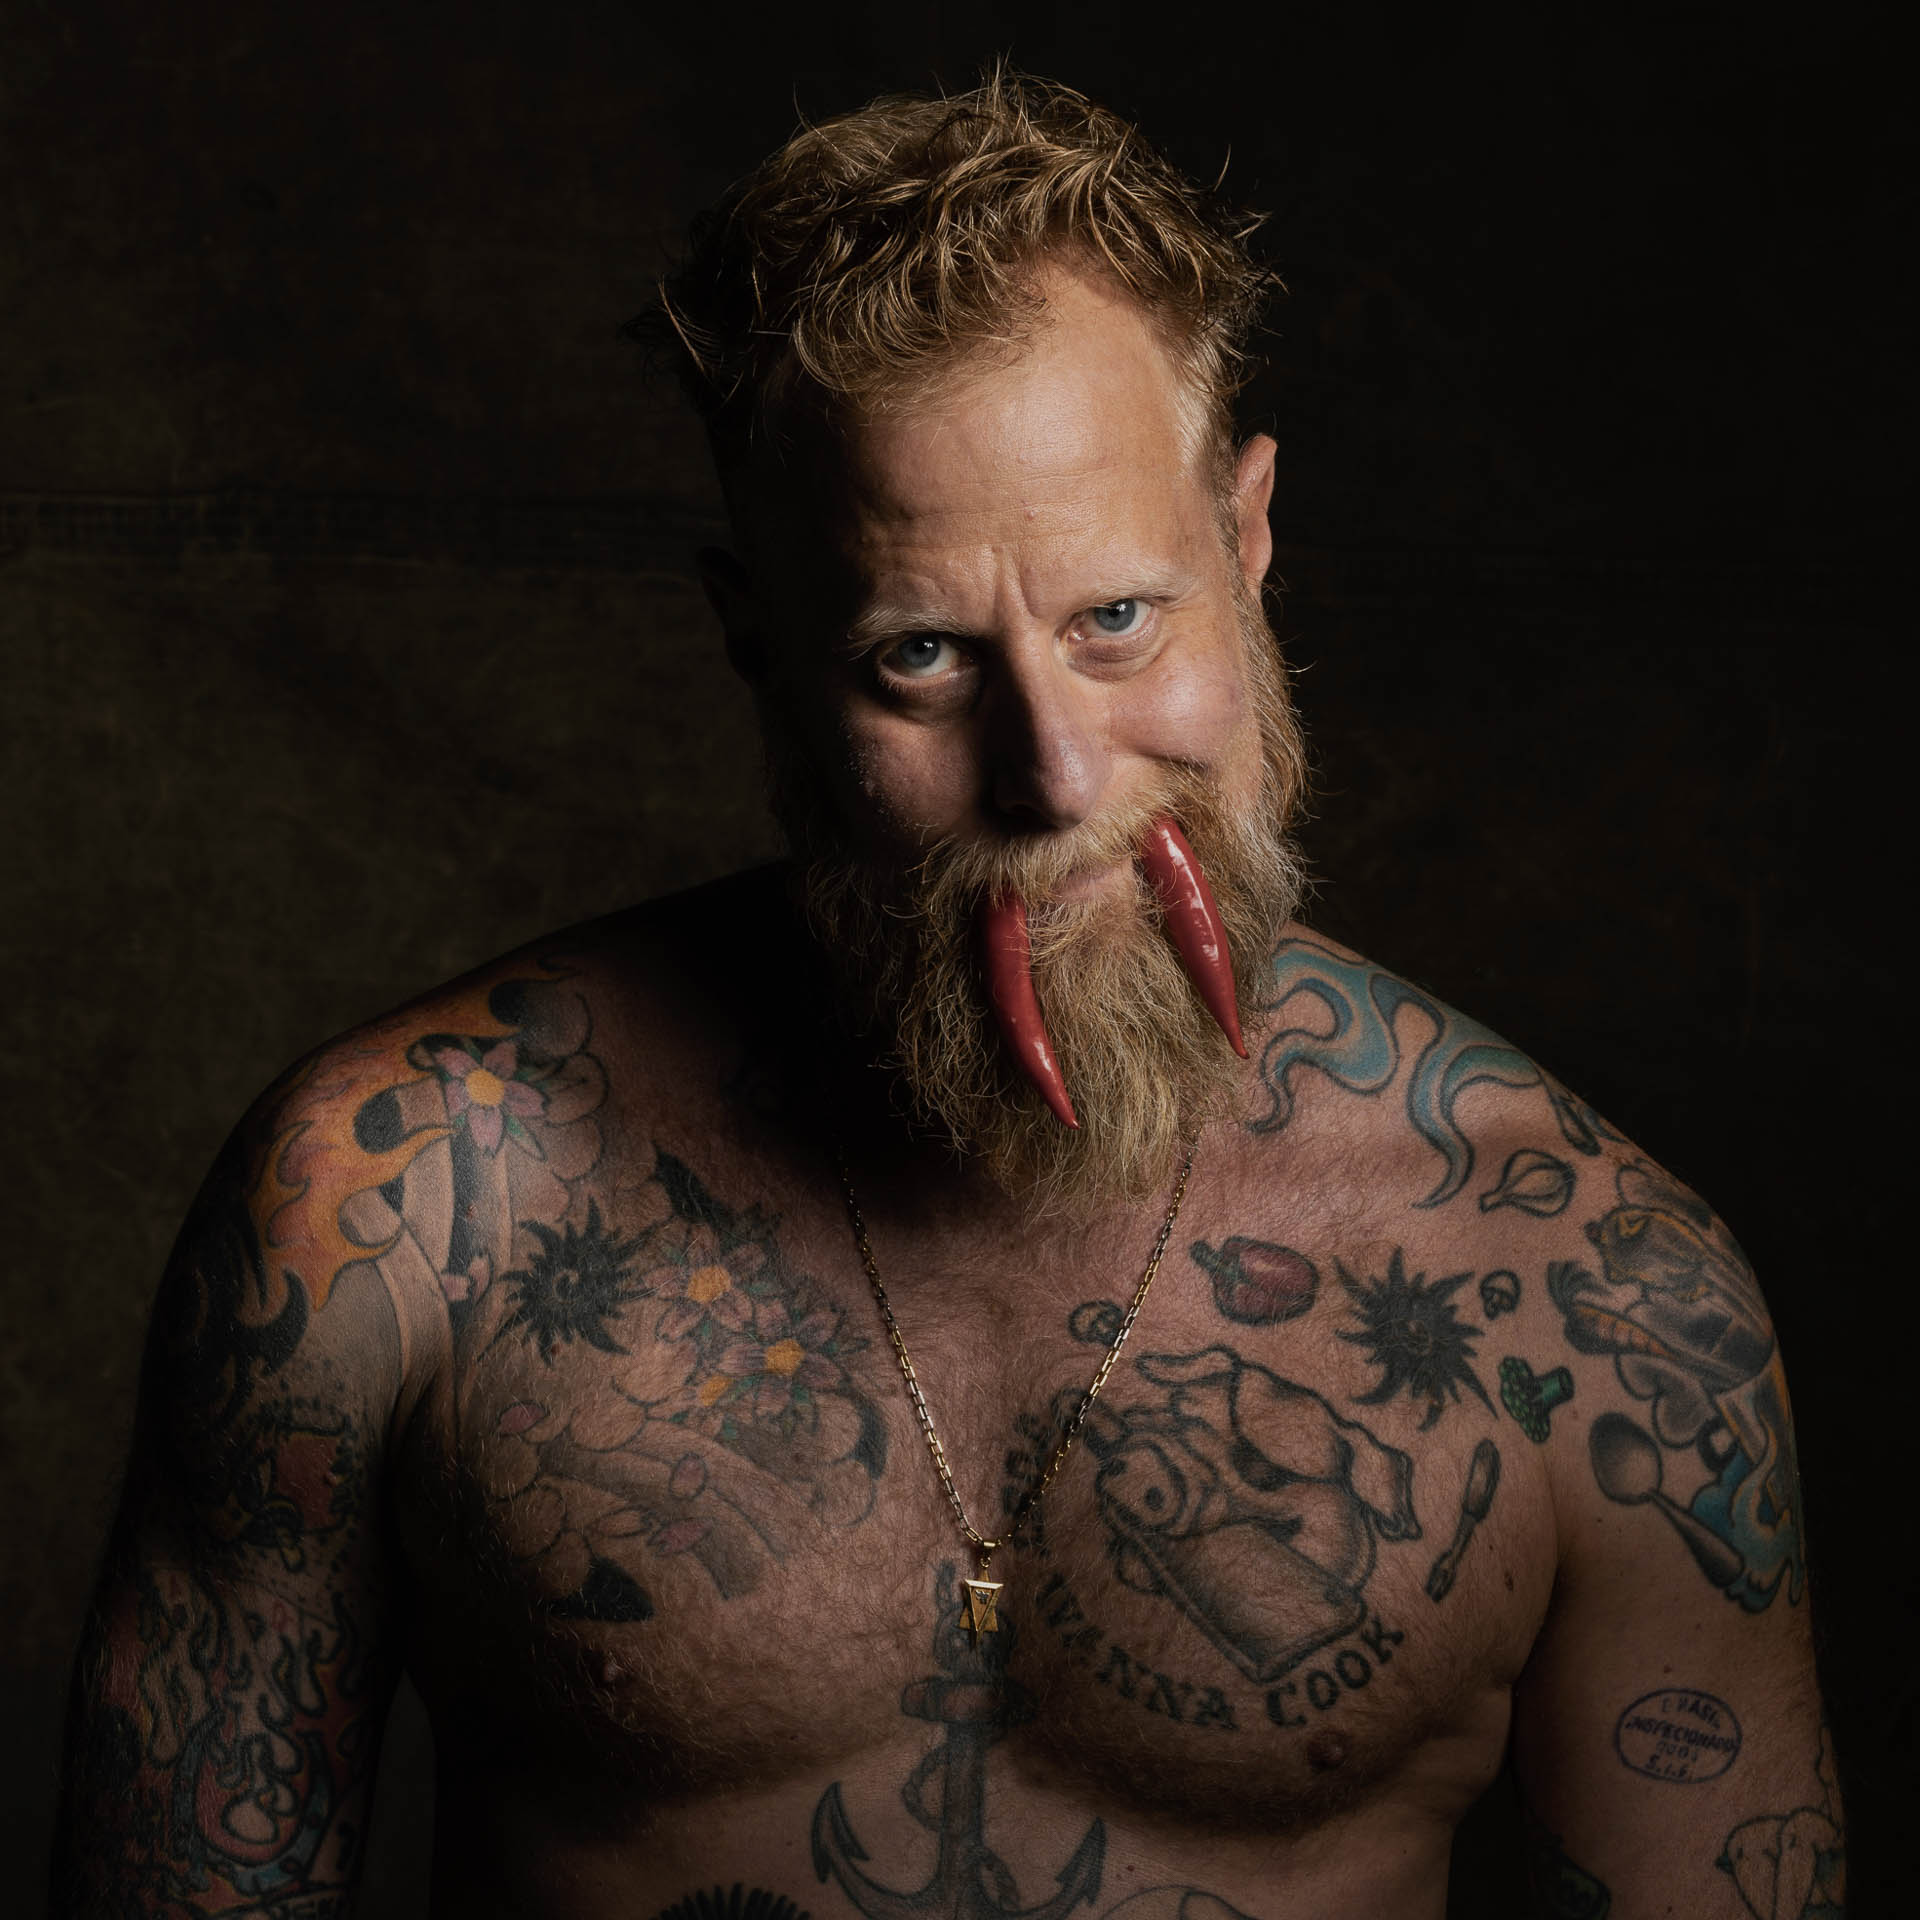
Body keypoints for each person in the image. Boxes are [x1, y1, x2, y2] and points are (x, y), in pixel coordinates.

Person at [52, 71, 1840, 1920]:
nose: (1052, 777)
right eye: (919, 656)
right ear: (759, 647)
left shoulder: (1594, 1297)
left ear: (1246, 540)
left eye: (1118, 619)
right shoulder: (399, 1213)